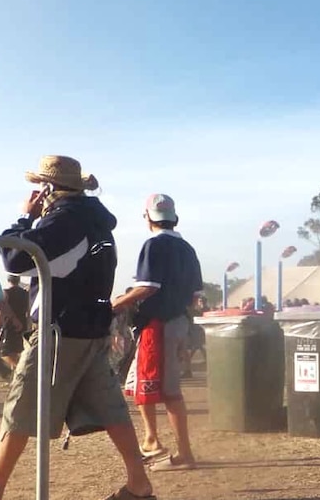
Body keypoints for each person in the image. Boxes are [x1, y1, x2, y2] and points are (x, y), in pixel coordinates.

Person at [0, 155, 155, 500]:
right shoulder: (95, 220)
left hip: (60, 330)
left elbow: (14, 259)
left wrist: (25, 217)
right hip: (90, 328)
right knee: (109, 407)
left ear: (48, 188)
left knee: (20, 408)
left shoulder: (65, 220)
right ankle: (139, 483)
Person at [113, 194, 202, 471]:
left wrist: (115, 304)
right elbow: (195, 296)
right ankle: (152, 439)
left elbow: (148, 287)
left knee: (163, 388)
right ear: (174, 218)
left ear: (148, 217)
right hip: (177, 321)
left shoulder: (153, 244)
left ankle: (181, 453)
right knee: (148, 382)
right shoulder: (187, 249)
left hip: (158, 324)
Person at [0, 275, 27, 375]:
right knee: (18, 351)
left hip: (9, 325)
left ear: (8, 280)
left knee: (4, 351)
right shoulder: (25, 293)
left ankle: (18, 371)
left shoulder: (6, 292)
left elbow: (1, 312)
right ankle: (16, 371)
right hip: (23, 324)